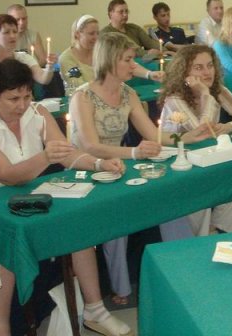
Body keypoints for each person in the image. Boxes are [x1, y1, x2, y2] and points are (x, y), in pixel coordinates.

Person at [0, 59, 131, 336]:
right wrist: (45, 157)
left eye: (27, 96)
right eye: (13, 99)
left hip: (23, 193)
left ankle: (95, 310)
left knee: (77, 227)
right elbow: (7, 175)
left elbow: (67, 154)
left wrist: (98, 164)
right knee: (2, 250)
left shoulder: (37, 112)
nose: (22, 105)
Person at [69, 33, 209, 306]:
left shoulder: (128, 93)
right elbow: (90, 146)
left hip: (119, 165)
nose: (134, 65)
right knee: (118, 215)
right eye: (128, 60)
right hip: (88, 169)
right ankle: (121, 287)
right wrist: (134, 153)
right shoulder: (82, 97)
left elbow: (153, 134)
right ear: (109, 61)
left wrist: (185, 138)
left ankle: (184, 264)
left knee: (167, 198)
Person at [160, 45, 232, 235]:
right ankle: (199, 240)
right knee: (201, 194)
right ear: (184, 72)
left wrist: (228, 127)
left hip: (207, 157)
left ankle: (225, 233)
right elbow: (201, 132)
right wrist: (205, 95)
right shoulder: (175, 99)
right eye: (198, 67)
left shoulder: (217, 90)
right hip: (179, 163)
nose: (207, 72)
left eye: (210, 65)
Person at [59, 15, 163, 88]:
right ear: (77, 34)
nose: (96, 37)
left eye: (97, 33)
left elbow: (128, 65)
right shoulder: (66, 58)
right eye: (91, 34)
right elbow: (78, 85)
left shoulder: (101, 51)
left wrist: (149, 74)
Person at [0, 14, 56, 100]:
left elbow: (43, 79)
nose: (12, 36)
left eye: (15, 32)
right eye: (7, 32)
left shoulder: (24, 58)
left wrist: (49, 66)